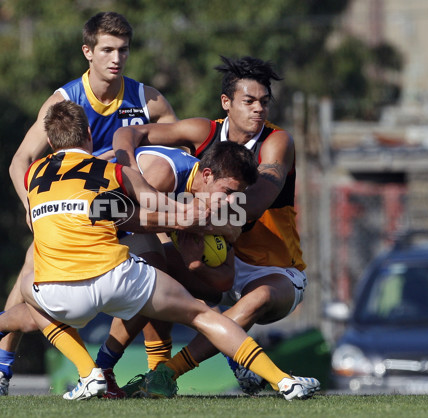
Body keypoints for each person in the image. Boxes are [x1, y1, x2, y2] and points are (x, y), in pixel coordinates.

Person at [0, 100, 320, 401]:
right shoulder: (126, 169)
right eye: (227, 193)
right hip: (112, 271)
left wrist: (193, 238)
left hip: (59, 286)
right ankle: (283, 381)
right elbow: (134, 207)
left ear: (53, 143)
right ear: (89, 136)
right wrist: (185, 220)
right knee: (194, 308)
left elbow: (96, 211)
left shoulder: (34, 174)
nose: (229, 201)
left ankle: (18, 338)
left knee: (30, 287)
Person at [0, 11, 177, 396]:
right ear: (88, 52)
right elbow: (19, 160)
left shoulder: (149, 100)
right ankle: (0, 371)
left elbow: (176, 158)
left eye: (123, 50)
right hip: (73, 212)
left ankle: (138, 371)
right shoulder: (66, 99)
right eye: (108, 49)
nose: (117, 58)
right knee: (29, 275)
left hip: (120, 210)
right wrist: (31, 206)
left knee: (165, 264)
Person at [110, 55, 311, 397]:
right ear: (226, 102)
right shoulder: (204, 131)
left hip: (273, 271)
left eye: (264, 101)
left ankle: (170, 372)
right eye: (248, 101)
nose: (258, 109)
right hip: (218, 258)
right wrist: (127, 169)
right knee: (152, 271)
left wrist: (189, 216)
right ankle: (112, 371)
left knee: (257, 298)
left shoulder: (278, 142)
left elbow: (255, 202)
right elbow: (129, 132)